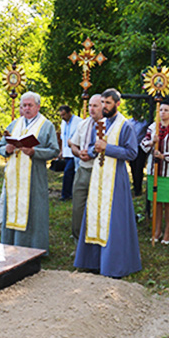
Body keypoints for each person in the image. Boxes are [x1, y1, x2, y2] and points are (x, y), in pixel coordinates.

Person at [74, 88, 142, 278]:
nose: (104, 106)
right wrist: (92, 149)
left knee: (114, 219)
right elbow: (94, 147)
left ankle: (114, 264)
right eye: (102, 102)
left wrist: (108, 148)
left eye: (108, 103)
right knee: (95, 216)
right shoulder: (100, 123)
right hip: (98, 176)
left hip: (115, 178)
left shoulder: (125, 125)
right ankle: (93, 261)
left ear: (117, 104)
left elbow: (131, 153)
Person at [0, 92, 59, 250]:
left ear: (38, 106)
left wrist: (35, 152)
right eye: (24, 105)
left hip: (34, 175)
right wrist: (8, 149)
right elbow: (1, 146)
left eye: (30, 105)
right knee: (12, 207)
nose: (26, 108)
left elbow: (54, 150)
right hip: (14, 177)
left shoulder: (47, 125)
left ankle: (33, 247)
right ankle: (10, 244)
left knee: (34, 209)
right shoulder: (14, 124)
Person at [141, 101, 169, 244]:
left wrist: (164, 156)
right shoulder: (153, 127)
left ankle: (167, 232)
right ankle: (156, 230)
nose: (163, 112)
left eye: (166, 110)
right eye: (161, 110)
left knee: (168, 202)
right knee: (156, 202)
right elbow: (143, 144)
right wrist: (152, 142)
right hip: (154, 171)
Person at [68, 94, 103, 243]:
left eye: (95, 106)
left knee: (97, 209)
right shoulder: (83, 124)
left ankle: (96, 241)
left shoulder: (108, 125)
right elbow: (73, 144)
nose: (91, 109)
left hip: (99, 171)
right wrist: (79, 153)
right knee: (78, 207)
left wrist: (92, 154)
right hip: (83, 170)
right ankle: (78, 241)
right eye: (90, 105)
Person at [57, 104, 81, 201]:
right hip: (67, 152)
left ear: (69, 113)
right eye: (61, 115)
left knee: (68, 172)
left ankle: (66, 194)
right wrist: (62, 151)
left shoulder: (78, 121)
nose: (62, 117)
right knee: (69, 173)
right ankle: (70, 193)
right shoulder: (63, 123)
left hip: (74, 152)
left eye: (64, 115)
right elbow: (63, 138)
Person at [127, 115, 150, 198]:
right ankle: (135, 185)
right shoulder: (129, 122)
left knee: (139, 167)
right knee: (133, 166)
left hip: (141, 148)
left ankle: (138, 189)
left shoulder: (145, 122)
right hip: (131, 147)